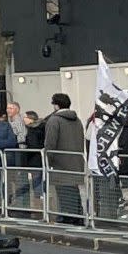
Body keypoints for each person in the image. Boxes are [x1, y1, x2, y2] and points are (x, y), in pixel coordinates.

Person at [39, 93, 85, 224]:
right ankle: (77, 216)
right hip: (76, 160)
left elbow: (50, 143)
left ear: (56, 105)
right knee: (73, 190)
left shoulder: (54, 120)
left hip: (60, 162)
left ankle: (66, 217)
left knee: (63, 191)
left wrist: (48, 159)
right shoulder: (77, 120)